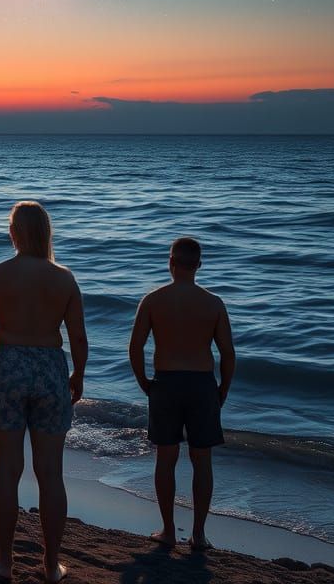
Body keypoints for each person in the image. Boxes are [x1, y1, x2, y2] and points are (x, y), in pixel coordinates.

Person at [0, 201, 88, 584]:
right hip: (51, 365)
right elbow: (78, 337)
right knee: (51, 473)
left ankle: (5, 560)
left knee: (7, 471)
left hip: (8, 365)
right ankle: (51, 565)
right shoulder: (65, 278)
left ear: (13, 233)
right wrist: (79, 375)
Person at [129, 236, 235, 551]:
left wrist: (144, 382)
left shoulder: (153, 300)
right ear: (198, 266)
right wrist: (223, 389)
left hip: (166, 383)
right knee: (202, 461)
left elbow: (135, 348)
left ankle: (168, 531)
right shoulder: (213, 303)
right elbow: (227, 353)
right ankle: (199, 535)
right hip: (202, 384)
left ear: (170, 262)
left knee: (166, 458)